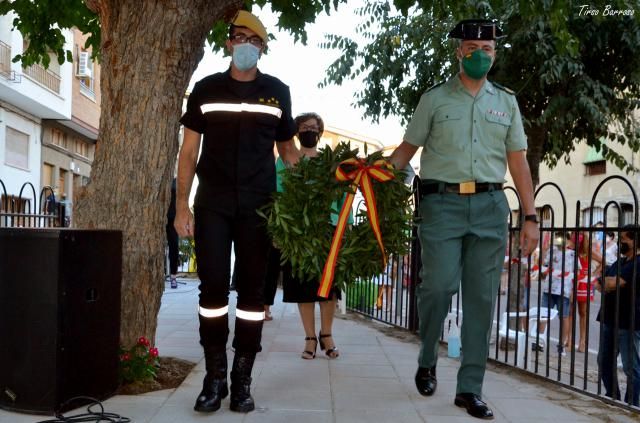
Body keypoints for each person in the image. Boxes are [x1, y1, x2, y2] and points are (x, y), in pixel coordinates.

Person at [389, 19, 538, 420]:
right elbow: (406, 150)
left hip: (490, 208)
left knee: (481, 300)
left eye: (486, 49)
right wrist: (370, 175)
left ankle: (469, 389)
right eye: (471, 47)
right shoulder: (435, 99)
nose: (478, 55)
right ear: (458, 52)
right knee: (436, 287)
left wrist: (530, 215)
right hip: (442, 205)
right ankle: (426, 357)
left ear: (495, 54)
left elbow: (518, 161)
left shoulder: (506, 101)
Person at [174, 10, 300, 414]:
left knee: (252, 296)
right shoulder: (206, 89)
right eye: (239, 37)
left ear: (263, 47)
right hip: (212, 202)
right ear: (228, 43)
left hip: (259, 206)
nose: (246, 45)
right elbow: (189, 151)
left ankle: (241, 380)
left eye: (254, 40)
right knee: (211, 291)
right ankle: (214, 378)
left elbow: (288, 151)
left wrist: (314, 190)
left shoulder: (277, 92)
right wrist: (180, 206)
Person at [281, 112, 343, 360]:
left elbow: (343, 196)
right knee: (303, 287)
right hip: (297, 232)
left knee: (328, 286)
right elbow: (279, 192)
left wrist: (344, 224)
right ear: (297, 132)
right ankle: (309, 337)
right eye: (304, 127)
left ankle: (327, 334)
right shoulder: (286, 159)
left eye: (314, 127)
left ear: (320, 131)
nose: (310, 131)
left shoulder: (330, 162)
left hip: (328, 229)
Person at [595, 225, 640, 406]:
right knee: (604, 361)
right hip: (609, 318)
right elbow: (601, 284)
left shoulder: (638, 263)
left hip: (628, 321)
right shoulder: (620, 262)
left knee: (631, 367)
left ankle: (632, 403)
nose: (620, 242)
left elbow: (614, 283)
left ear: (635, 241)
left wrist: (606, 282)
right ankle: (612, 396)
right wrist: (606, 282)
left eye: (624, 239)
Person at [166, 178, 179, 289]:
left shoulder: (177, 180)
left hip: (173, 219)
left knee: (174, 246)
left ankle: (173, 276)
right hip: (159, 216)